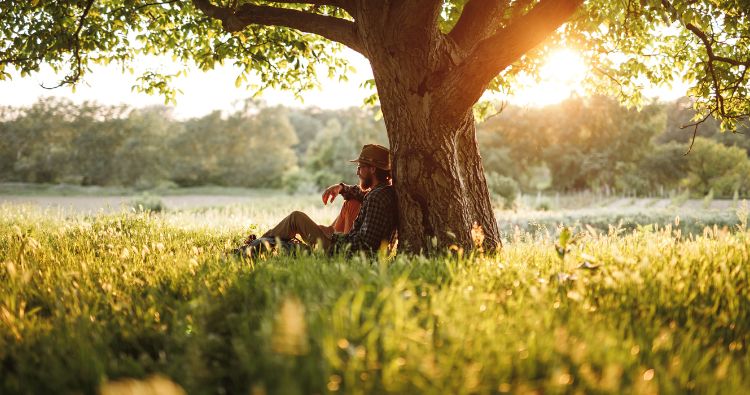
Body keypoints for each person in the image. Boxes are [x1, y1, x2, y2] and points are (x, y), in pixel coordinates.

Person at [241, 144, 398, 256]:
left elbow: (366, 243)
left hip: (345, 253)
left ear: (372, 169)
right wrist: (342, 188)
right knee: (294, 237)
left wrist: (334, 236)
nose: (357, 172)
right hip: (347, 248)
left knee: (296, 218)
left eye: (360, 167)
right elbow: (360, 193)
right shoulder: (380, 192)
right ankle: (256, 245)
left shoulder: (377, 198)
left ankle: (251, 248)